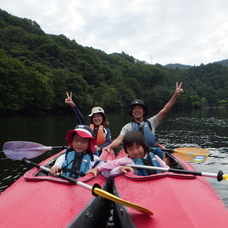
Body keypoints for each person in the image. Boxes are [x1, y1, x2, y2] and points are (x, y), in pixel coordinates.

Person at [103, 82, 184, 157]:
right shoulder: (127, 127)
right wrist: (109, 146)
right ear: (131, 112)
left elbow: (165, 110)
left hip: (150, 152)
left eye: (139, 108)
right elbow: (118, 139)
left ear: (143, 111)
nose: (137, 111)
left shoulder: (152, 122)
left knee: (166, 158)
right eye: (134, 109)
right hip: (134, 155)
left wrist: (175, 96)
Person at [87, 131, 169, 177]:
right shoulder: (127, 160)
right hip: (141, 185)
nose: (135, 152)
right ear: (126, 150)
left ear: (144, 146)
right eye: (131, 149)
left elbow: (165, 168)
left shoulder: (155, 157)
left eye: (138, 147)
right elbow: (111, 164)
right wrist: (97, 169)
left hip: (160, 182)